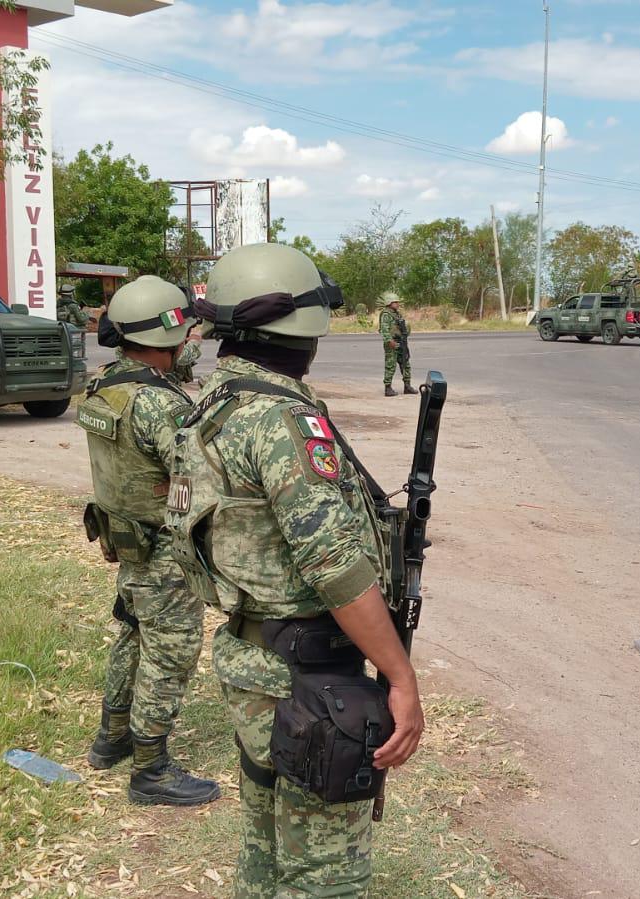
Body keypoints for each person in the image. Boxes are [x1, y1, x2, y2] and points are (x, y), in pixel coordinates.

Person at [164, 243, 424, 896]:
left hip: (255, 659)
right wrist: (399, 676)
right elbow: (334, 565)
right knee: (324, 876)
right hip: (308, 680)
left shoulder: (211, 405)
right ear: (304, 328)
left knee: (265, 842)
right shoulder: (281, 420)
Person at [76, 275, 220, 806]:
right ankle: (151, 768)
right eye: (185, 332)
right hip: (164, 550)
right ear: (166, 337)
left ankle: (110, 742)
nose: (190, 341)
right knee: (171, 652)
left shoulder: (104, 385)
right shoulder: (161, 404)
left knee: (133, 638)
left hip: (126, 539)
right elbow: (197, 480)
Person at [378, 292, 412, 397]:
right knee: (390, 365)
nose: (398, 304)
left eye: (397, 302)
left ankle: (407, 386)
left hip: (401, 342)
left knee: (405, 363)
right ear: (389, 303)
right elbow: (384, 329)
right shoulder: (386, 315)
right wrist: (389, 341)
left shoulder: (397, 314)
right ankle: (388, 388)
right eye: (395, 302)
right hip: (392, 342)